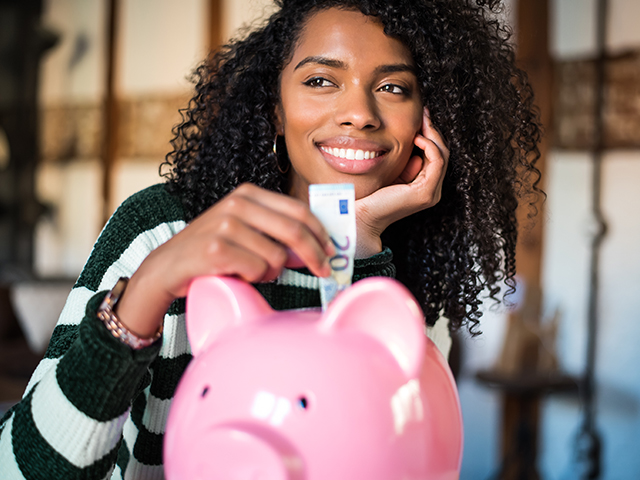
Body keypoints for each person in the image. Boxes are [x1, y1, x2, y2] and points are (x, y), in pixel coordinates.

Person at [0, 0, 541, 478]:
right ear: (275, 111)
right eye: (320, 80)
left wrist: (362, 241)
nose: (358, 113)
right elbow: (20, 469)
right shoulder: (165, 226)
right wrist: (151, 285)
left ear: (430, 119)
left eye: (393, 87)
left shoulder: (412, 270)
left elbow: (388, 457)